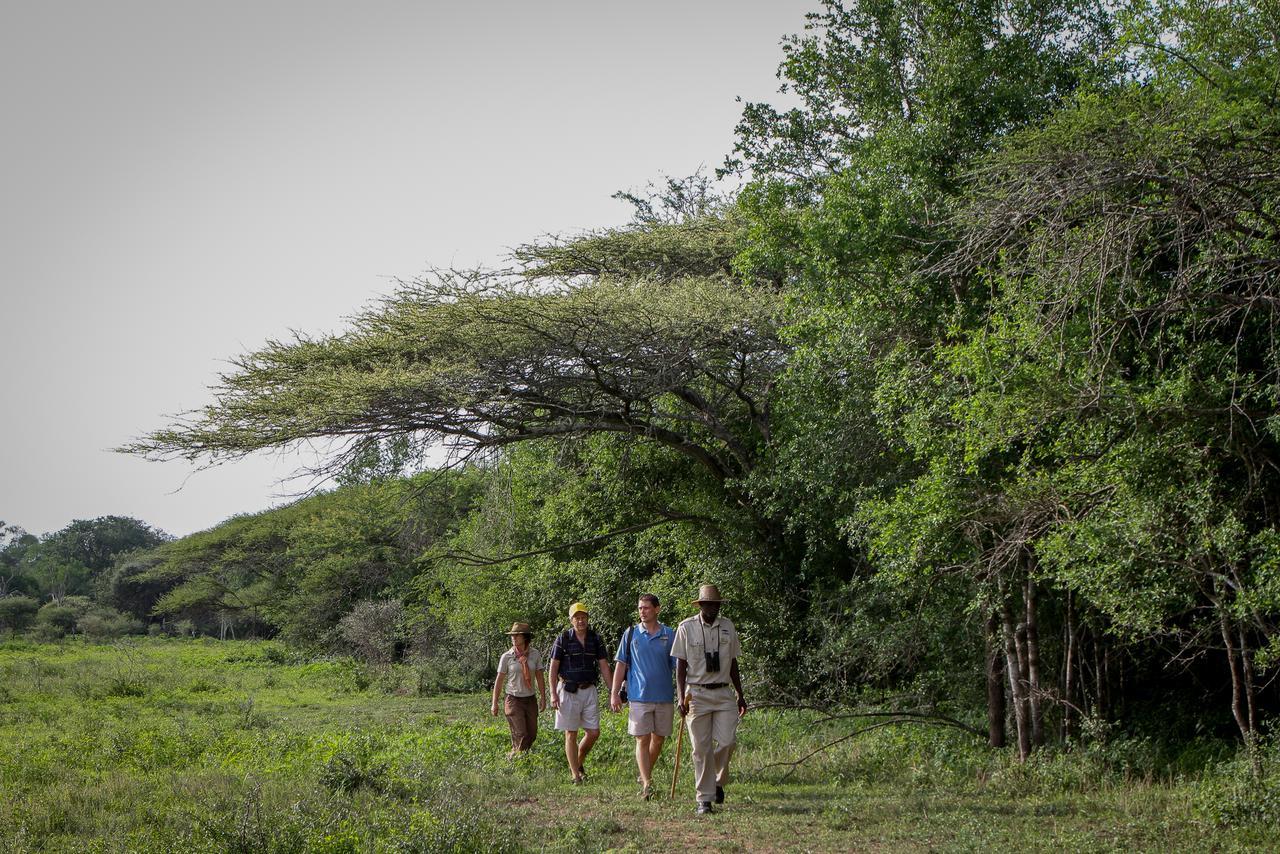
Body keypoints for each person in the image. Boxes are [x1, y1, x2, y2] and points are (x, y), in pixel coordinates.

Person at [671, 583, 747, 815]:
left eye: (716, 604)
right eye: (708, 604)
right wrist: (680, 696)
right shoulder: (686, 627)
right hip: (697, 693)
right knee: (700, 748)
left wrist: (740, 694)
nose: (712, 608)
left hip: (723, 692)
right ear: (701, 605)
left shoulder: (728, 627)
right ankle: (704, 799)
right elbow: (680, 664)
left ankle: (716, 781)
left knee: (727, 742)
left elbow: (733, 662)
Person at [609, 593, 677, 800]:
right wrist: (614, 694)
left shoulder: (669, 634)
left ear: (657, 609)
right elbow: (621, 663)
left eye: (646, 608)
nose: (642, 612)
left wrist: (686, 692)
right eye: (640, 608)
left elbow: (678, 666)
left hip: (664, 696)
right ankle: (647, 783)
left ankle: (644, 772)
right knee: (642, 738)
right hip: (638, 696)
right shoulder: (631, 634)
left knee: (658, 738)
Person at [548, 602, 612, 784]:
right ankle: (575, 775)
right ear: (571, 620)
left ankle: (578, 762)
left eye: (583, 617)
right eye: (577, 617)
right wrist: (553, 693)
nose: (581, 620)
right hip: (568, 689)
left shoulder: (595, 638)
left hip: (589, 689)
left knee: (593, 732)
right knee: (571, 733)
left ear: (588, 619)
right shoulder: (563, 639)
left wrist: (612, 691)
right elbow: (553, 668)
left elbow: (604, 666)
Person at [490, 622, 547, 755]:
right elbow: (499, 680)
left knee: (532, 734)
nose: (513, 638)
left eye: (517, 635)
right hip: (513, 699)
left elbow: (539, 677)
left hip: (530, 699)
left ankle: (518, 755)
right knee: (521, 733)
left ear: (525, 637)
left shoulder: (535, 654)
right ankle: (517, 759)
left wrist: (543, 698)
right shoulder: (507, 656)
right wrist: (495, 703)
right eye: (512, 635)